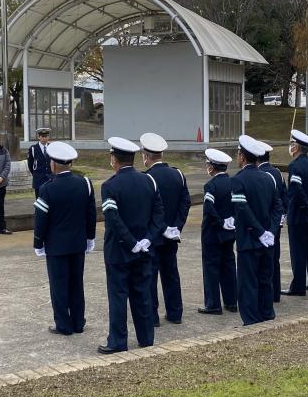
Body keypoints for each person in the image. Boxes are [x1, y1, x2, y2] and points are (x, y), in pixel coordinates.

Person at [98, 137, 165, 354]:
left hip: (119, 250)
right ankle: (146, 338)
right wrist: (147, 239)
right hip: (144, 249)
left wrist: (132, 242)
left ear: (113, 159)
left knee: (118, 296)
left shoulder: (109, 186)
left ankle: (118, 341)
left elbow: (113, 219)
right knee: (142, 295)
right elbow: (158, 215)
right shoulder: (149, 181)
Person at [33, 142, 97, 335]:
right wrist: (90, 237)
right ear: (69, 163)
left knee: (59, 285)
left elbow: (41, 220)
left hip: (56, 245)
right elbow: (91, 213)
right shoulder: (84, 183)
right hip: (78, 243)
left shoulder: (47, 188)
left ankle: (63, 324)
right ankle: (79, 322)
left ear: (53, 164)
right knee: (76, 283)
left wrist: (38, 242)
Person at [140, 133, 191, 326]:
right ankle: (175, 312)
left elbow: (147, 210)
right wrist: (175, 226)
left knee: (150, 276)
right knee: (171, 274)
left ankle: (152, 317)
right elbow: (185, 202)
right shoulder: (177, 174)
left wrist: (159, 229)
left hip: (153, 236)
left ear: (146, 156)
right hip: (171, 235)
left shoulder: (146, 178)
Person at [231, 135, 282, 325]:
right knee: (264, 281)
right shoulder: (268, 178)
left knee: (248, 283)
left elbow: (242, 210)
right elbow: (278, 207)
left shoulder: (238, 181)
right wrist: (271, 231)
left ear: (243, 157)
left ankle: (251, 320)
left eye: (238, 155)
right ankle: (267, 314)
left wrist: (260, 232)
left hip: (249, 240)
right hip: (268, 240)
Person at [282, 130, 308, 297]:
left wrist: (307, 208)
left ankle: (298, 286)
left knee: (298, 252)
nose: (290, 147)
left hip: (299, 215)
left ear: (296, 147)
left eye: (292, 144)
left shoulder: (295, 166)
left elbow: (297, 190)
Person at [198, 148, 238, 315]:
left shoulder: (211, 186)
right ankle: (231, 301)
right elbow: (238, 204)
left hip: (213, 234)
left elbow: (209, 208)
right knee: (228, 266)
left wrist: (220, 222)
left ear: (212, 167)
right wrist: (231, 220)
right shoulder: (234, 183)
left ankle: (213, 304)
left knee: (211, 268)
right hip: (230, 232)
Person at [255, 140, 287, 302]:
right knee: (275, 257)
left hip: (262, 222)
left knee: (263, 260)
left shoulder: (260, 174)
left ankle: (265, 293)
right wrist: (281, 217)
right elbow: (284, 197)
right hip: (276, 222)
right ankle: (276, 293)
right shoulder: (278, 173)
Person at [27, 128, 53, 198]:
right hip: (38, 179)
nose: (44, 138)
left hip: (50, 179)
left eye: (46, 136)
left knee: (50, 199)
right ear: (39, 137)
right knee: (39, 200)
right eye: (42, 136)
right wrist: (36, 174)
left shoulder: (52, 147)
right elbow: (30, 164)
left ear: (48, 137)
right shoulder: (33, 149)